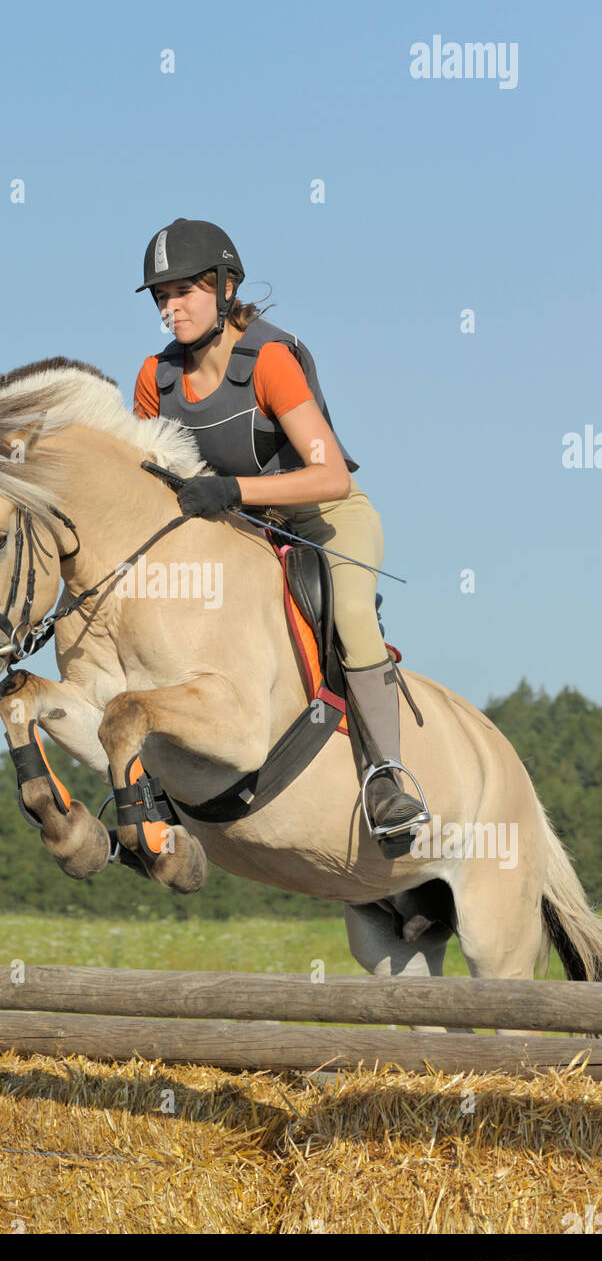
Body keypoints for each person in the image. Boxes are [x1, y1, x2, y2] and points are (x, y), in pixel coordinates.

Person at [132, 217, 429, 839]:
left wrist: (233, 490)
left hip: (323, 520)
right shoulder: (155, 380)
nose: (171, 308)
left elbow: (330, 479)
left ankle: (389, 777)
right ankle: (148, 785)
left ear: (226, 287)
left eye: (184, 291)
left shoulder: (269, 361)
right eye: (162, 297)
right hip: (239, 534)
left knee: (350, 611)